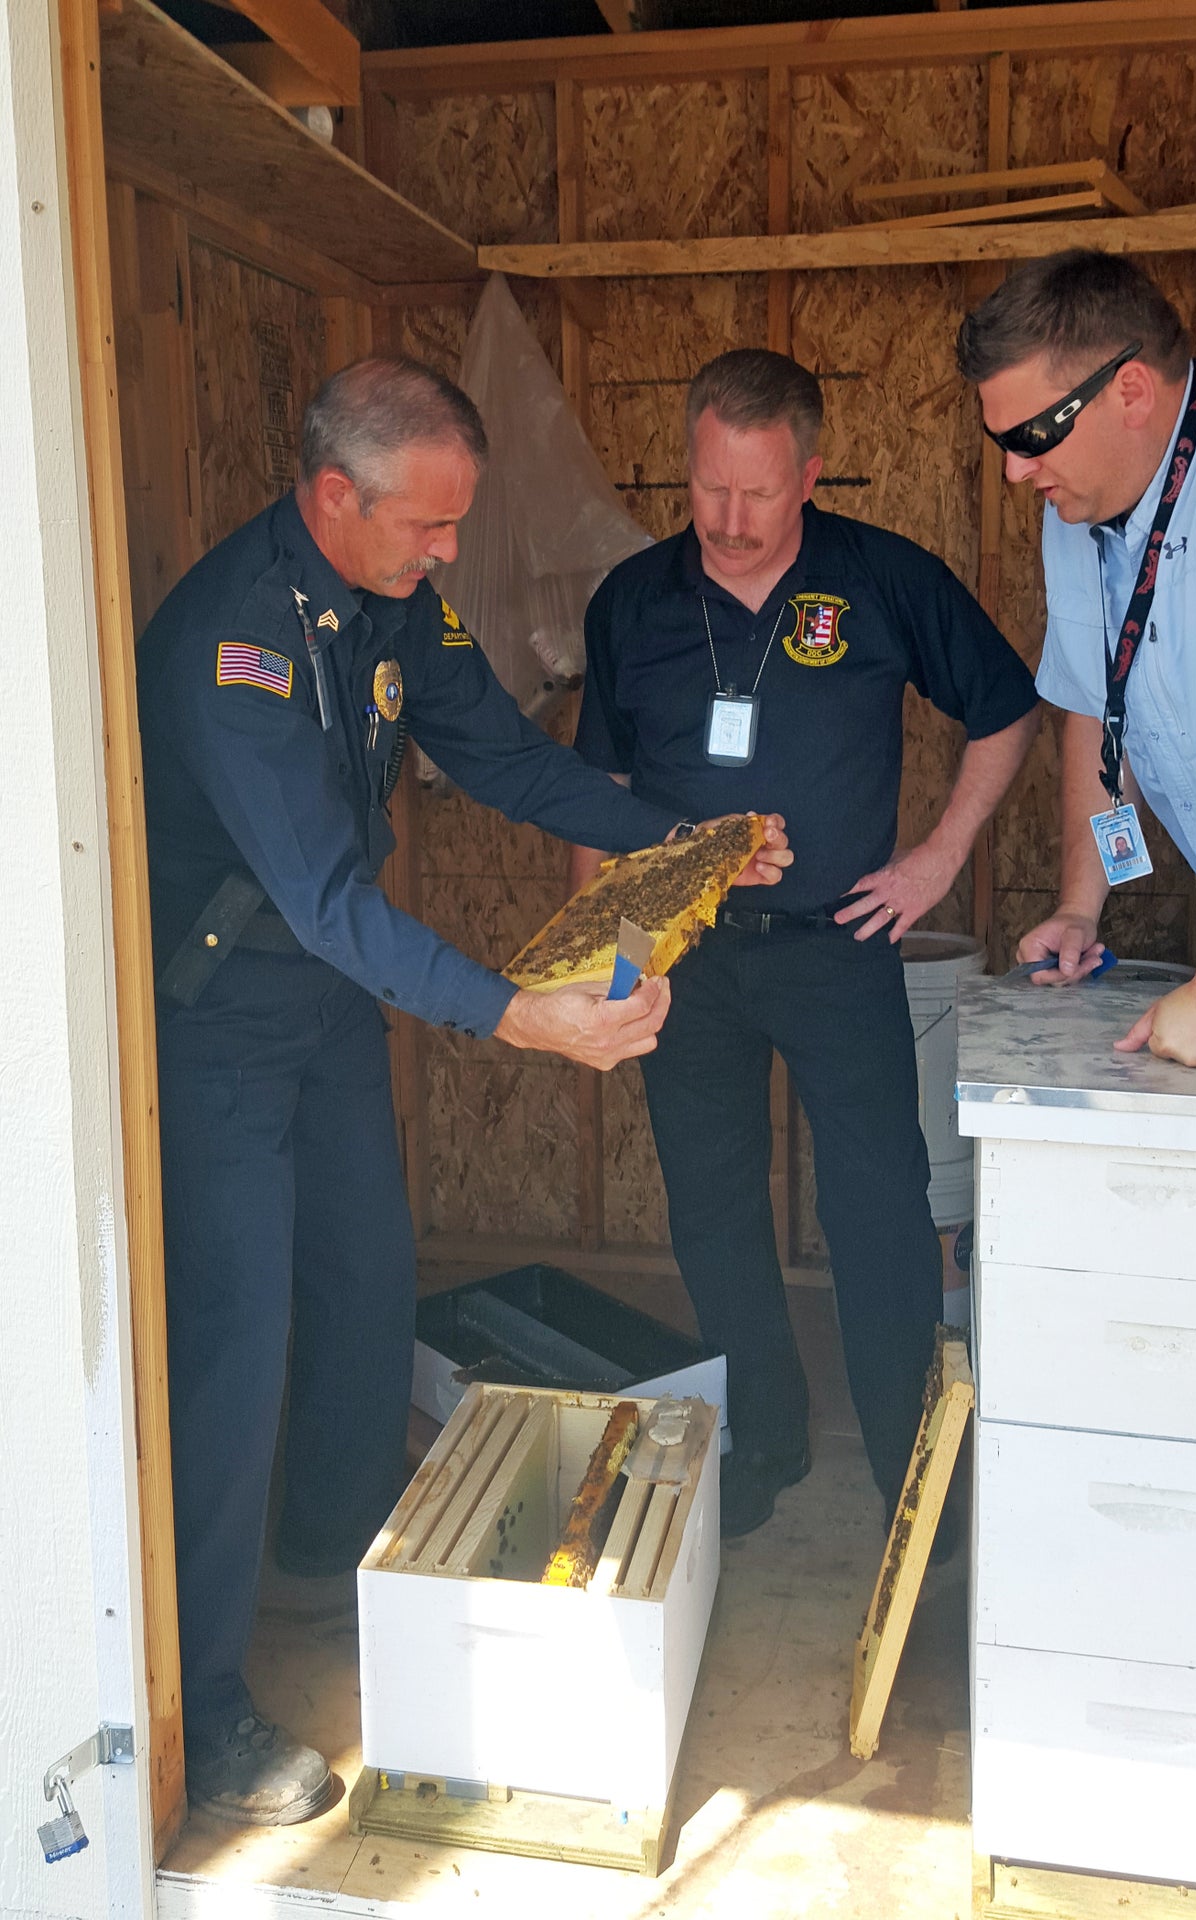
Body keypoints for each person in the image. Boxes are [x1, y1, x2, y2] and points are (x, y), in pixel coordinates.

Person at [136, 356, 788, 1826]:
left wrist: (680, 839)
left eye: (455, 528)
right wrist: (516, 1019)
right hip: (225, 1014)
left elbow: (496, 752)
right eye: (429, 530)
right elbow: (320, 896)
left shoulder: (389, 602)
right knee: (239, 1335)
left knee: (367, 1280)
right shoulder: (237, 646)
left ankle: (341, 1558)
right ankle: (211, 1700)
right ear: (333, 497)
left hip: (324, 1001)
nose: (449, 557)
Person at [569, 349, 1039, 1539]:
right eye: (708, 489)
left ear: (810, 475)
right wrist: (607, 969)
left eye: (758, 494)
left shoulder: (881, 580)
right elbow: (599, 788)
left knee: (876, 1208)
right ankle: (761, 1439)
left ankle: (910, 1488)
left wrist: (936, 859)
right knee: (711, 1204)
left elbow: (1002, 707)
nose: (728, 522)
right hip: (681, 949)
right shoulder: (631, 599)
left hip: (836, 947)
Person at [958, 250, 1196, 1071]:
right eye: (1001, 441)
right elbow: (1096, 707)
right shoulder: (1077, 504)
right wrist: (1078, 904)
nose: (1014, 469)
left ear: (1130, 390)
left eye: (1031, 435)